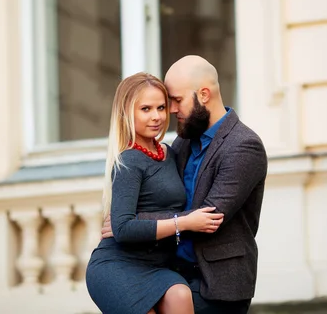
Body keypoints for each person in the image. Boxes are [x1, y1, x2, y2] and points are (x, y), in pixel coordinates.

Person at [102, 56, 268, 314]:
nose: (170, 110)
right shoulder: (183, 142)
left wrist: (133, 222)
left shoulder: (243, 146)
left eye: (177, 100)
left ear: (203, 95)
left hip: (215, 284)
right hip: (170, 274)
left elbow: (210, 217)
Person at [85, 72, 225, 314]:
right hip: (117, 268)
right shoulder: (129, 160)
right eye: (146, 109)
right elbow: (124, 228)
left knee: (180, 295)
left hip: (157, 266)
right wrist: (184, 223)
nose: (156, 116)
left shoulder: (170, 153)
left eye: (161, 107)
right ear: (127, 113)